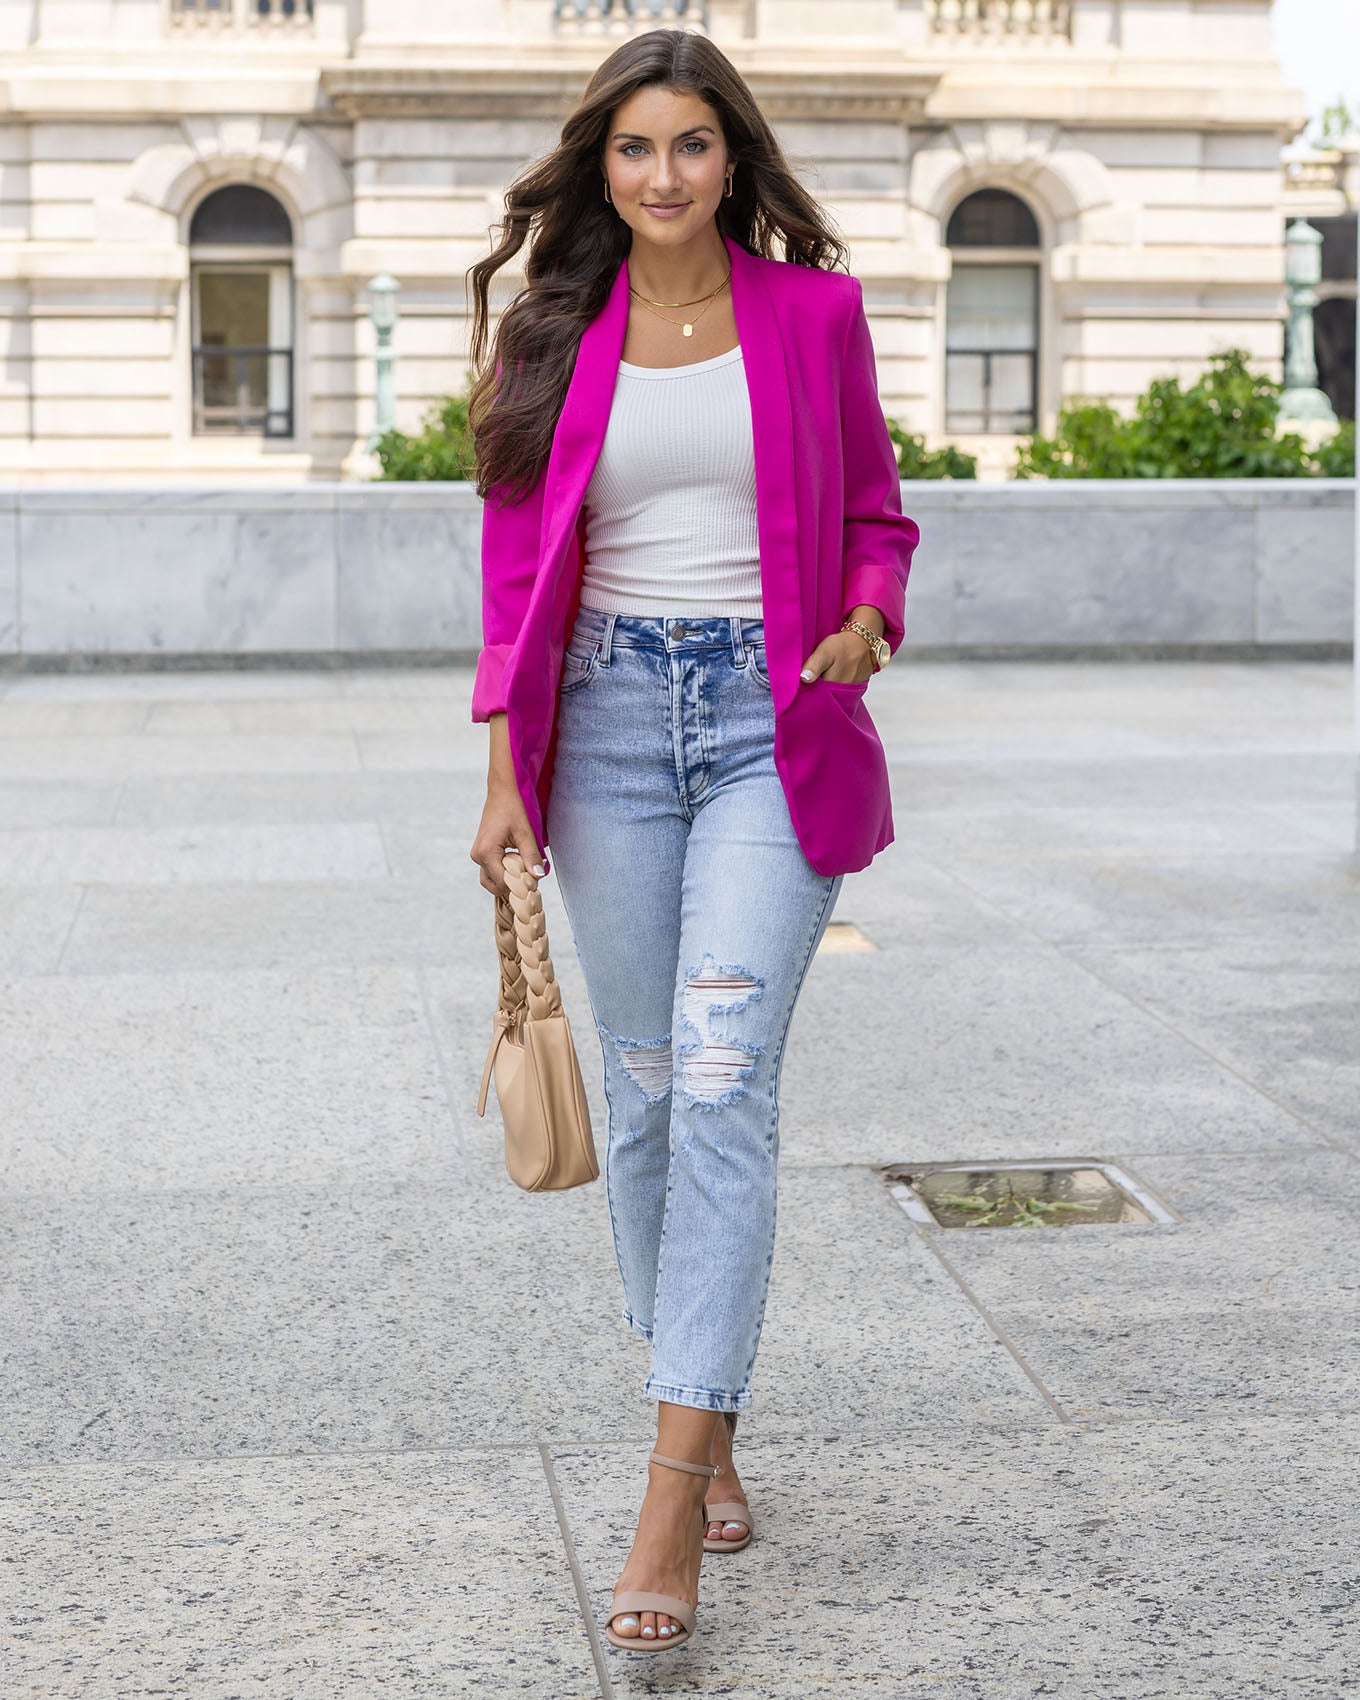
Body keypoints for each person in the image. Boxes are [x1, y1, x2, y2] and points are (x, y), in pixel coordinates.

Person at [466, 28, 919, 1657]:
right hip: (595, 731)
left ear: (736, 159)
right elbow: (518, 573)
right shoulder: (553, 332)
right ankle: (707, 1403)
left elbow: (878, 508)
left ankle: (669, 1488)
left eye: (693, 147)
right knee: (650, 1090)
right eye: (635, 149)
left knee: (723, 1079)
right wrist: (505, 768)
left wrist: (871, 615)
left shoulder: (814, 311)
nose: (664, 176)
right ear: (603, 167)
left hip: (765, 725)